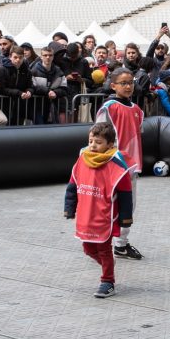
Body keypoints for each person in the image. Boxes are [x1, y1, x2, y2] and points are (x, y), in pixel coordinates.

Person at [64, 121, 135, 298]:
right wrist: (69, 208)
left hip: (104, 216)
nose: (93, 145)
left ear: (110, 144)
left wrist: (125, 218)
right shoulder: (82, 159)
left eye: (98, 142)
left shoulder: (117, 165)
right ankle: (107, 263)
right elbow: (73, 185)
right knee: (88, 249)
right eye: (90, 141)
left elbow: (126, 192)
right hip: (86, 214)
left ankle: (107, 281)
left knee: (104, 249)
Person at [94, 68, 145, 260]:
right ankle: (101, 242)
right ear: (113, 85)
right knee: (107, 205)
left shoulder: (137, 110)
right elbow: (97, 137)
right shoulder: (109, 108)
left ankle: (121, 245)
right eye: (123, 83)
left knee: (128, 207)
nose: (128, 86)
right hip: (112, 166)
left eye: (131, 82)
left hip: (131, 168)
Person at [31, 46, 68, 124]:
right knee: (39, 128)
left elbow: (64, 88)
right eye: (45, 55)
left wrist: (56, 93)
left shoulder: (59, 71)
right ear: (41, 57)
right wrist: (48, 91)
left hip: (53, 107)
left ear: (53, 56)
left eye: (50, 55)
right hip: (37, 106)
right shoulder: (33, 71)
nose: (48, 57)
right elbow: (32, 87)